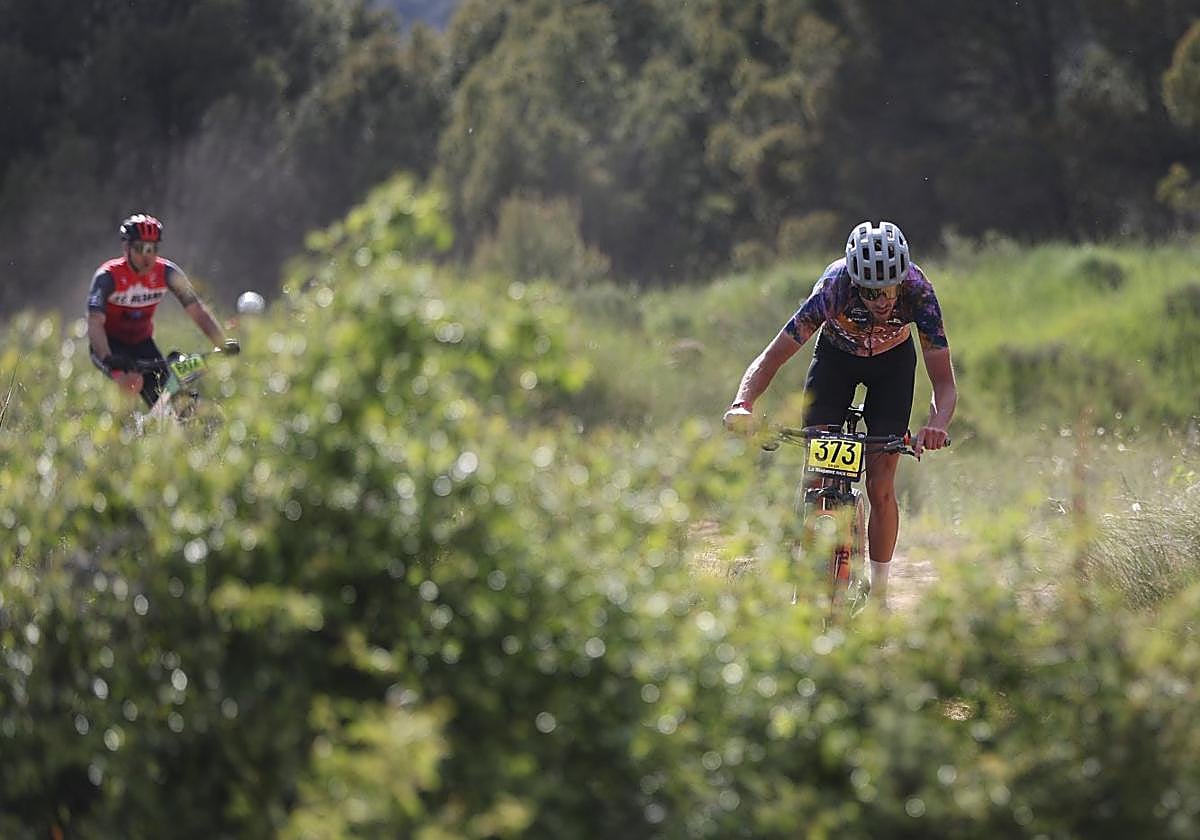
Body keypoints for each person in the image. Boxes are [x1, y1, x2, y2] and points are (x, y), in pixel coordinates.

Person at [723, 220, 957, 605]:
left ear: (902, 280)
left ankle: (879, 596)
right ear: (854, 282)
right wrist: (742, 404)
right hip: (835, 361)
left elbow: (944, 383)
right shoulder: (833, 289)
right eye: (869, 291)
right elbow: (771, 359)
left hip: (892, 367)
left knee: (880, 481)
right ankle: (807, 569)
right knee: (816, 470)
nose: (880, 300)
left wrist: (936, 424)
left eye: (887, 289)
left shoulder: (920, 293)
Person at [87, 213, 239, 406]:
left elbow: (197, 311)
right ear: (126, 248)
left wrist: (222, 343)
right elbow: (94, 322)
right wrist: (107, 356)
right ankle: (118, 431)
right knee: (133, 382)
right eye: (140, 248)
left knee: (172, 397)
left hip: (142, 344)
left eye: (152, 249)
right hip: (111, 345)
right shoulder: (107, 276)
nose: (146, 256)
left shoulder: (168, 273)